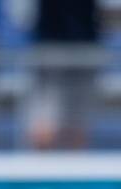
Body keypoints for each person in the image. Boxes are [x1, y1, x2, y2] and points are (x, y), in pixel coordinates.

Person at [25, 0, 100, 150]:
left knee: (77, 124)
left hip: (84, 49)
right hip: (51, 48)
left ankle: (75, 170)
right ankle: (40, 169)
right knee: (45, 125)